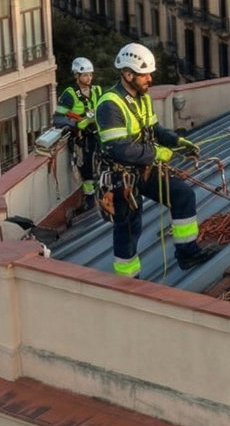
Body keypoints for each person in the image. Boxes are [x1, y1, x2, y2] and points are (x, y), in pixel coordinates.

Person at [95, 42, 218, 278]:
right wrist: (159, 153)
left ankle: (187, 253)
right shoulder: (110, 105)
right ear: (128, 74)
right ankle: (128, 279)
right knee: (130, 226)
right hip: (121, 176)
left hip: (143, 169)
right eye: (145, 75)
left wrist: (177, 143)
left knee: (182, 195)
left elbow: (153, 129)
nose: (150, 79)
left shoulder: (142, 98)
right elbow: (119, 148)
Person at [53, 57, 103, 211]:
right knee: (86, 165)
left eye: (90, 75)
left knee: (103, 160)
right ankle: (89, 198)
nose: (89, 78)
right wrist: (77, 122)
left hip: (97, 133)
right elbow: (59, 117)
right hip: (81, 137)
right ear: (76, 76)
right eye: (85, 75)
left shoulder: (97, 91)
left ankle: (103, 191)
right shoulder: (70, 94)